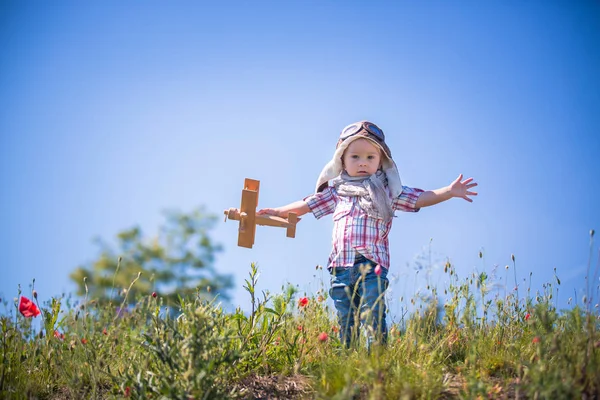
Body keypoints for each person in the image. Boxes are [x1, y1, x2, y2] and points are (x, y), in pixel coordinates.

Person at [257, 120, 478, 347]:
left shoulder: (388, 191)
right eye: (355, 157)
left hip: (373, 264)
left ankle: (377, 358)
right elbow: (305, 205)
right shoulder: (337, 193)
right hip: (342, 266)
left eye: (370, 157)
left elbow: (420, 198)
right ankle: (347, 358)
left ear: (381, 161)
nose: (363, 162)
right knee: (346, 316)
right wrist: (278, 211)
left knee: (373, 310)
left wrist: (449, 192)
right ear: (341, 160)